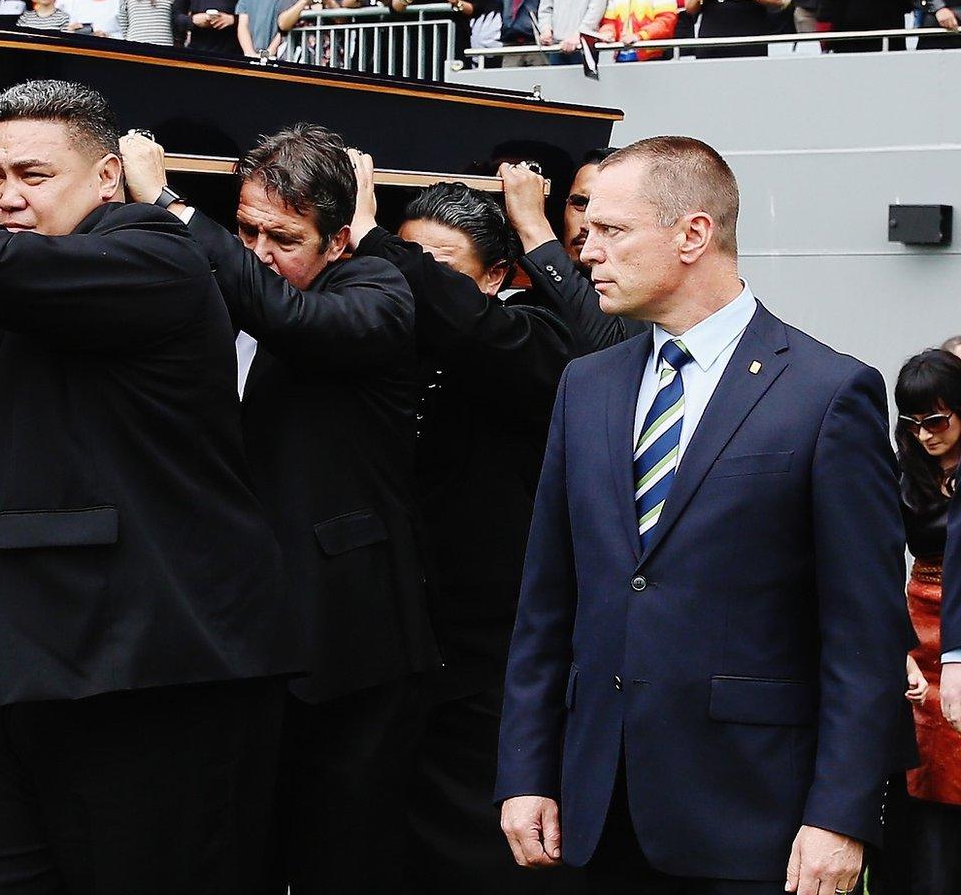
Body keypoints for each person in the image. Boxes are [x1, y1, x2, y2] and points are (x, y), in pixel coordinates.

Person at [0, 81, 294, 892]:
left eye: (34, 176)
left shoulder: (157, 253)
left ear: (109, 179)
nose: (6, 196)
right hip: (12, 678)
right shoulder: (19, 304)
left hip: (142, 681)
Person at [496, 137, 915, 894]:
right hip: (594, 810)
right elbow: (546, 605)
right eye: (586, 227)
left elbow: (864, 634)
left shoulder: (827, 394)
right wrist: (525, 771)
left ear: (694, 234)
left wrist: (843, 814)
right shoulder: (585, 387)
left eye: (613, 230)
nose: (585, 249)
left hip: (758, 819)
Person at [122, 123, 433, 895]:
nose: (258, 250)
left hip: (348, 645)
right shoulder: (216, 305)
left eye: (283, 236)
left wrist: (167, 205)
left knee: (344, 863)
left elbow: (293, 321)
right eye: (247, 229)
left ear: (338, 244)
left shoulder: (379, 293)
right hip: (235, 642)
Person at [344, 173, 577, 894]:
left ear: (497, 275)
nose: (413, 283)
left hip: (493, 657)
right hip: (399, 646)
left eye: (437, 268)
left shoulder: (534, 337)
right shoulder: (374, 342)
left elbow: (477, 334)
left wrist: (378, 239)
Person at [880, 349, 961, 895]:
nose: (925, 435)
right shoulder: (905, 466)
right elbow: (878, 552)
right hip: (921, 618)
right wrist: (898, 643)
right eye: (912, 423)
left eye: (936, 419)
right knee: (922, 762)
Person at [500, 158, 648, 356]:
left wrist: (532, 225)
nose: (587, 223)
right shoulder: (523, 304)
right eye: (580, 203)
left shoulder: (644, 301)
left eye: (606, 209)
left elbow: (611, 347)